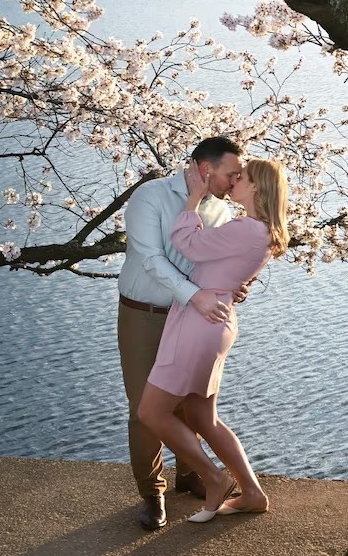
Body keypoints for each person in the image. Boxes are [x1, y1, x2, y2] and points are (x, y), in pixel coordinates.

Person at [137, 157, 289, 523]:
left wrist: (193, 199)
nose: (235, 181)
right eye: (234, 175)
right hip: (216, 320)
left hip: (199, 323)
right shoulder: (262, 230)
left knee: (151, 412)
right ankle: (252, 492)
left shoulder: (247, 229)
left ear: (255, 187)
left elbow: (186, 243)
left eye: (242, 177)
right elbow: (230, 271)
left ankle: (213, 477)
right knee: (203, 416)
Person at [118, 135, 243, 530]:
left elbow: (214, 266)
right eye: (231, 174)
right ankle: (152, 493)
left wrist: (232, 284)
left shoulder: (221, 212)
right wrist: (197, 295)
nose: (236, 182)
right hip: (145, 315)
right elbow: (152, 259)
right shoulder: (150, 197)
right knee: (145, 410)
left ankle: (189, 475)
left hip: (193, 316)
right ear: (206, 170)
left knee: (191, 402)